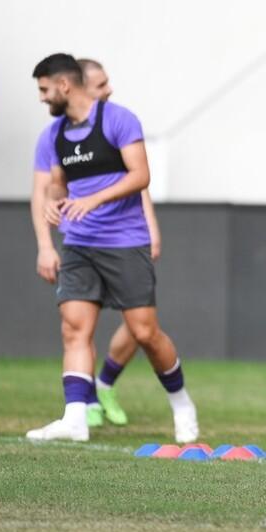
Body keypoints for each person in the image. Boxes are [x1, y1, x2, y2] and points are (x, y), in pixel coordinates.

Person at [27, 54, 198, 444]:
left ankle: (181, 403)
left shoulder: (119, 120)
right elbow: (58, 183)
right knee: (74, 327)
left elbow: (141, 175)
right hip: (79, 243)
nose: (42, 98)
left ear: (64, 85)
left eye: (44, 89)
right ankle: (75, 419)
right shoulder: (54, 135)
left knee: (145, 332)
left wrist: (93, 200)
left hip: (125, 241)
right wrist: (55, 202)